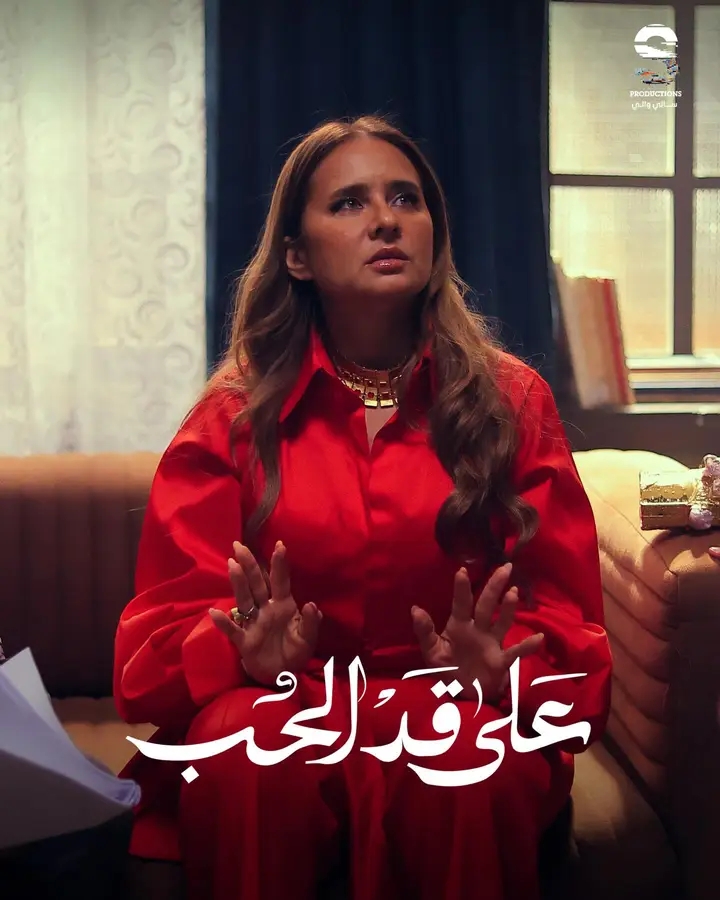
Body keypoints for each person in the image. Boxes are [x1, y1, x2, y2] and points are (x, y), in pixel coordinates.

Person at [113, 114, 613, 900]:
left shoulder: (512, 400)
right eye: (349, 203)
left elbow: (567, 620)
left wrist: (503, 672)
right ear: (296, 256)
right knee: (244, 750)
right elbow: (155, 647)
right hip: (282, 703)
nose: (386, 219)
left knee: (465, 760)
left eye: (406, 198)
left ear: (434, 236)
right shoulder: (231, 416)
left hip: (459, 709)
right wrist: (238, 654)